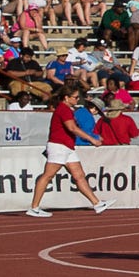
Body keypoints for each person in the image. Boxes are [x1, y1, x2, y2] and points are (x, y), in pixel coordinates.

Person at [23, 81, 110, 216]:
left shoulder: (68, 110)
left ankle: (97, 204)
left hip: (67, 147)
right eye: (75, 97)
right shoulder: (63, 109)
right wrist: (92, 139)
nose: (77, 99)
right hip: (59, 146)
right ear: (66, 97)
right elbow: (72, 128)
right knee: (47, 176)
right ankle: (34, 207)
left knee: (79, 176)